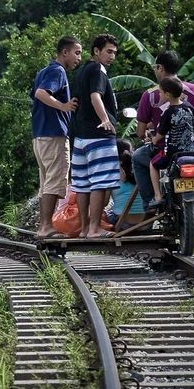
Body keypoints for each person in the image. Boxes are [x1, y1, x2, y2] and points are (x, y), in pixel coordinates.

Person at [132, 50, 194, 209]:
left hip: (166, 149)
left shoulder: (150, 95)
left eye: (155, 67)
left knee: (138, 158)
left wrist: (148, 137)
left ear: (160, 68)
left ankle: (153, 201)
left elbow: (141, 131)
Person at [30, 36, 82, 239]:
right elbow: (41, 93)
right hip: (53, 134)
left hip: (40, 135)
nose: (78, 58)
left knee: (46, 183)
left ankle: (44, 227)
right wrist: (63, 106)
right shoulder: (57, 71)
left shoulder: (43, 71)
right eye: (76, 53)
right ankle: (46, 227)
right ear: (65, 52)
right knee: (54, 180)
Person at [70, 34, 121, 238]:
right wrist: (105, 119)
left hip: (80, 137)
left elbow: (74, 101)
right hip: (98, 136)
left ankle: (84, 229)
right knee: (101, 181)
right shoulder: (98, 69)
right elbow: (95, 96)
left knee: (82, 184)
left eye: (114, 53)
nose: (112, 57)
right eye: (108, 51)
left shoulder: (80, 71)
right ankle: (94, 228)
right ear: (96, 51)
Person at [147, 76, 194, 207]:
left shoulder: (168, 113)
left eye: (160, 92)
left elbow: (160, 134)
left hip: (173, 153)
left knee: (153, 165)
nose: (159, 95)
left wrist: (153, 140)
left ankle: (157, 196)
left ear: (167, 95)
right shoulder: (189, 107)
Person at [105, 139, 147, 231]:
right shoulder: (142, 169)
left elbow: (104, 203)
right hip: (146, 224)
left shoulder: (112, 171)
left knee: (106, 213)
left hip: (123, 225)